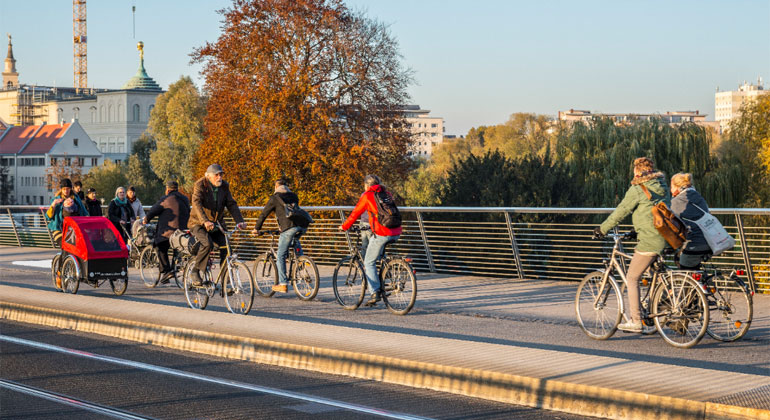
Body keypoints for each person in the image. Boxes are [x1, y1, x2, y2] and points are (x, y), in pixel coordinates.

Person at [594, 157, 669, 334]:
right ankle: (662, 305)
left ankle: (636, 321)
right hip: (666, 236)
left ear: (637, 172)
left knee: (632, 278)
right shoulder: (662, 186)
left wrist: (602, 229)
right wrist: (638, 229)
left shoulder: (638, 189)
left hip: (651, 239)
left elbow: (622, 211)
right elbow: (651, 211)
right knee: (654, 275)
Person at [339, 175, 402, 305]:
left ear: (367, 185)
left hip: (382, 232)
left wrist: (344, 227)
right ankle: (386, 278)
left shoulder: (367, 196)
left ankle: (375, 292)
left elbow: (355, 213)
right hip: (396, 230)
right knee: (379, 255)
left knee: (368, 262)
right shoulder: (386, 193)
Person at [189, 164, 247, 286]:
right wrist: (204, 221)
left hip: (216, 224)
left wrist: (239, 221)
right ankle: (195, 271)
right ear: (208, 176)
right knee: (207, 243)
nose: (219, 177)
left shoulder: (224, 186)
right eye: (216, 175)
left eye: (221, 174)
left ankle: (226, 281)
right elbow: (196, 203)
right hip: (198, 222)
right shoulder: (200, 185)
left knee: (226, 247)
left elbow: (231, 204)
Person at [252, 179, 310, 293]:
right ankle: (302, 271)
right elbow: (287, 211)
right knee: (295, 246)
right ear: (286, 186)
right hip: (302, 226)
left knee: (280, 255)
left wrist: (256, 229)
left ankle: (283, 284)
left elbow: (264, 214)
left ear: (276, 187)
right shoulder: (294, 196)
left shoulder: (274, 198)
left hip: (289, 228)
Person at [144, 180, 191, 283]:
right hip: (183, 231)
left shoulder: (166, 199)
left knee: (160, 246)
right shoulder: (185, 199)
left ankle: (167, 271)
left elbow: (154, 210)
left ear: (168, 189)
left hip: (169, 232)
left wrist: (146, 219)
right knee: (177, 248)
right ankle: (175, 266)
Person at [670, 173, 712, 270]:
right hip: (710, 242)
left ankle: (692, 284)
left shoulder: (677, 201)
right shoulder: (698, 197)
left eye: (671, 187)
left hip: (695, 243)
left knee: (684, 270)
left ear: (677, 187)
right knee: (692, 270)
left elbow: (669, 222)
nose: (670, 190)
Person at [45, 178, 88, 246]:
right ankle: (64, 256)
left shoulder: (76, 198)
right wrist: (53, 205)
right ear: (61, 189)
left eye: (67, 189)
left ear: (70, 189)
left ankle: (67, 256)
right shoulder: (56, 200)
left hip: (73, 228)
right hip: (58, 228)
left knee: (77, 246)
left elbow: (84, 212)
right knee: (65, 245)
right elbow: (48, 217)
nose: (66, 191)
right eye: (64, 189)